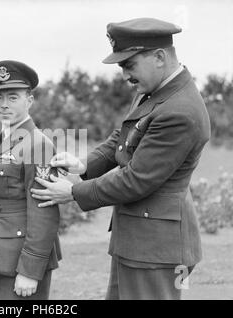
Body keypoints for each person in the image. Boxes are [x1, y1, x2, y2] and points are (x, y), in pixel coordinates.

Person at [31, 18, 211, 300]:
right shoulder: (155, 92)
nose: (125, 75)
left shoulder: (179, 110)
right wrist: (84, 165)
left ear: (159, 57)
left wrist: (74, 192)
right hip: (140, 240)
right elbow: (123, 138)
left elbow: (137, 179)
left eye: (129, 65)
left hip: (157, 249)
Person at [0, 60, 62, 300]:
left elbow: (44, 211)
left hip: (19, 257)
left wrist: (30, 270)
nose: (3, 105)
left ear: (29, 100)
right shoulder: (3, 139)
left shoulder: (38, 144)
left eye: (12, 97)